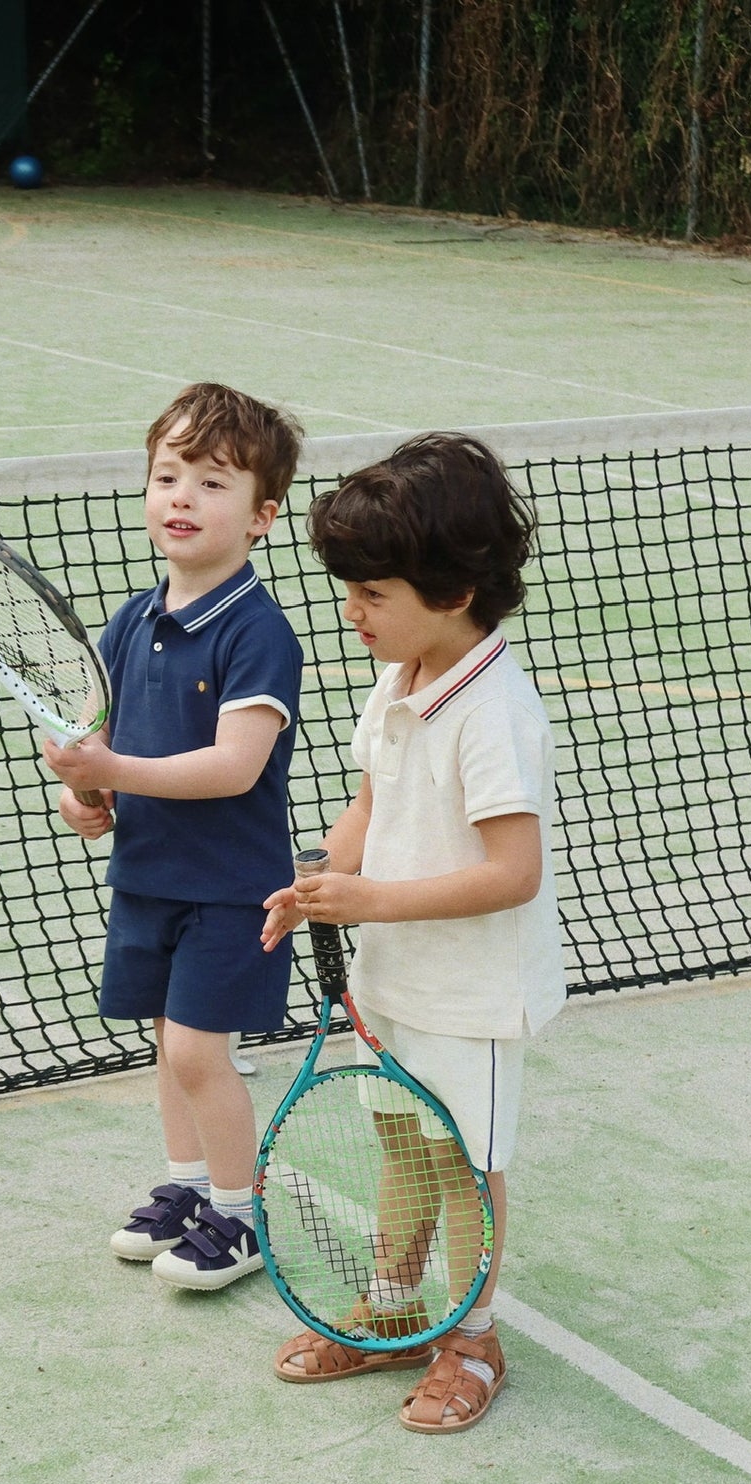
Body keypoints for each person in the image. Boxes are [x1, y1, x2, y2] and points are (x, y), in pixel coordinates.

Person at [261, 433, 566, 1431]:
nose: (350, 611)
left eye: (371, 593)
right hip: (391, 978)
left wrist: (370, 902)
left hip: (470, 996)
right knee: (403, 1143)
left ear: (452, 590)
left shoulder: (494, 713)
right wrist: (320, 878)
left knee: (465, 1166)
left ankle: (471, 1337)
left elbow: (512, 872)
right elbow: (369, 802)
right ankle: (392, 1312)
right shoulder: (398, 676)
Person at [44, 382, 305, 1290]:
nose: (181, 497)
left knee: (198, 1052)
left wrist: (112, 769)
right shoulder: (128, 621)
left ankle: (240, 1214)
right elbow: (96, 742)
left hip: (231, 888)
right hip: (147, 875)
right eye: (166, 476)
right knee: (167, 1044)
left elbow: (234, 765)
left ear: (262, 515)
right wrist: (82, 795)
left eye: (212, 482)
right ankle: (188, 1188)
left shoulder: (258, 633)